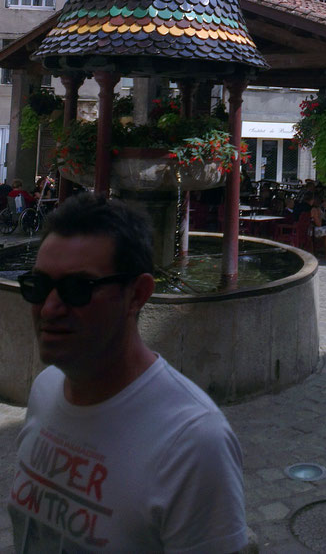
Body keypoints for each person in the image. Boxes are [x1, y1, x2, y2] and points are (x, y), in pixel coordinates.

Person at [9, 193, 248, 553]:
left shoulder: (194, 443)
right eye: (38, 286)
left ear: (137, 295)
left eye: (78, 289)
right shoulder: (46, 389)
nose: (50, 308)